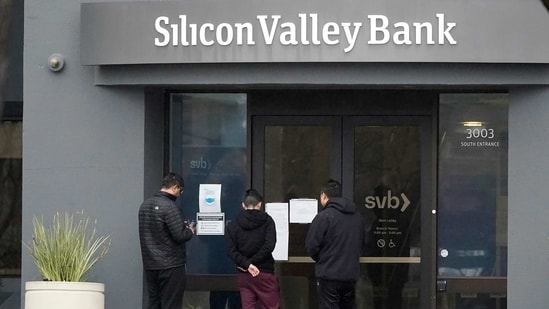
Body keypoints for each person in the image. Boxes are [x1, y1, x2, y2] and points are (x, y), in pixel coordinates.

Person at [305, 179, 367, 309]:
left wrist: (322, 259)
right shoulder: (357, 217)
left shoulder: (324, 217)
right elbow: (363, 243)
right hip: (350, 275)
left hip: (329, 275)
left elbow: (311, 246)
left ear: (324, 195)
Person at [138, 172, 195, 309]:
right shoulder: (170, 207)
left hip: (151, 264)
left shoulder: (144, 206)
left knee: (154, 302)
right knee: (171, 304)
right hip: (171, 265)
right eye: (180, 190)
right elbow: (180, 235)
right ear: (175, 187)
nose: (180, 194)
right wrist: (190, 231)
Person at [226, 189, 281, 309]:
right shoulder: (267, 221)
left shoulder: (233, 224)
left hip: (244, 275)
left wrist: (247, 265)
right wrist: (253, 263)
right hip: (264, 272)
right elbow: (269, 246)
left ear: (243, 205)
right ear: (260, 204)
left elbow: (231, 250)